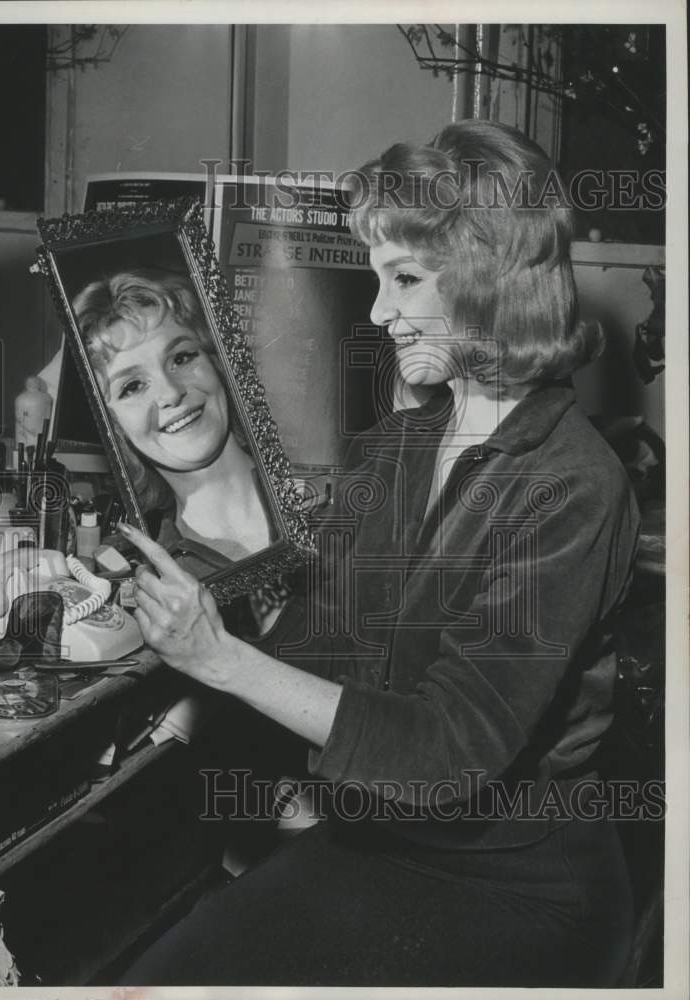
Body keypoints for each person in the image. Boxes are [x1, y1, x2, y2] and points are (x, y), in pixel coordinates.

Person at [116, 121, 640, 987]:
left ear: (486, 282)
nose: (377, 312)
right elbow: (321, 643)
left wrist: (224, 664)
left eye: (403, 280)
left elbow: (448, 748)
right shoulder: (401, 443)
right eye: (377, 279)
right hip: (380, 837)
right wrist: (173, 629)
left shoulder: (573, 485)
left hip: (519, 882)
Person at [72, 269, 273, 580]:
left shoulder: (328, 495)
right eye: (133, 387)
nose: (171, 392)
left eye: (181, 358)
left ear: (217, 363)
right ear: (114, 427)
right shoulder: (160, 580)